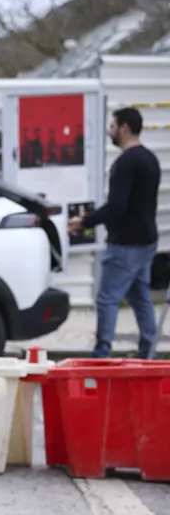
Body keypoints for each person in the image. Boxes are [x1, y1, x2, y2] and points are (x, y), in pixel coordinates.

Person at [70, 106, 162, 359]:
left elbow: (117, 205)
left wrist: (85, 221)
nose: (109, 132)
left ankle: (101, 354)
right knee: (141, 297)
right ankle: (148, 351)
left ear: (123, 128)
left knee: (107, 299)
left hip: (125, 244)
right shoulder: (151, 159)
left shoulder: (125, 163)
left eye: (112, 126)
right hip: (147, 241)